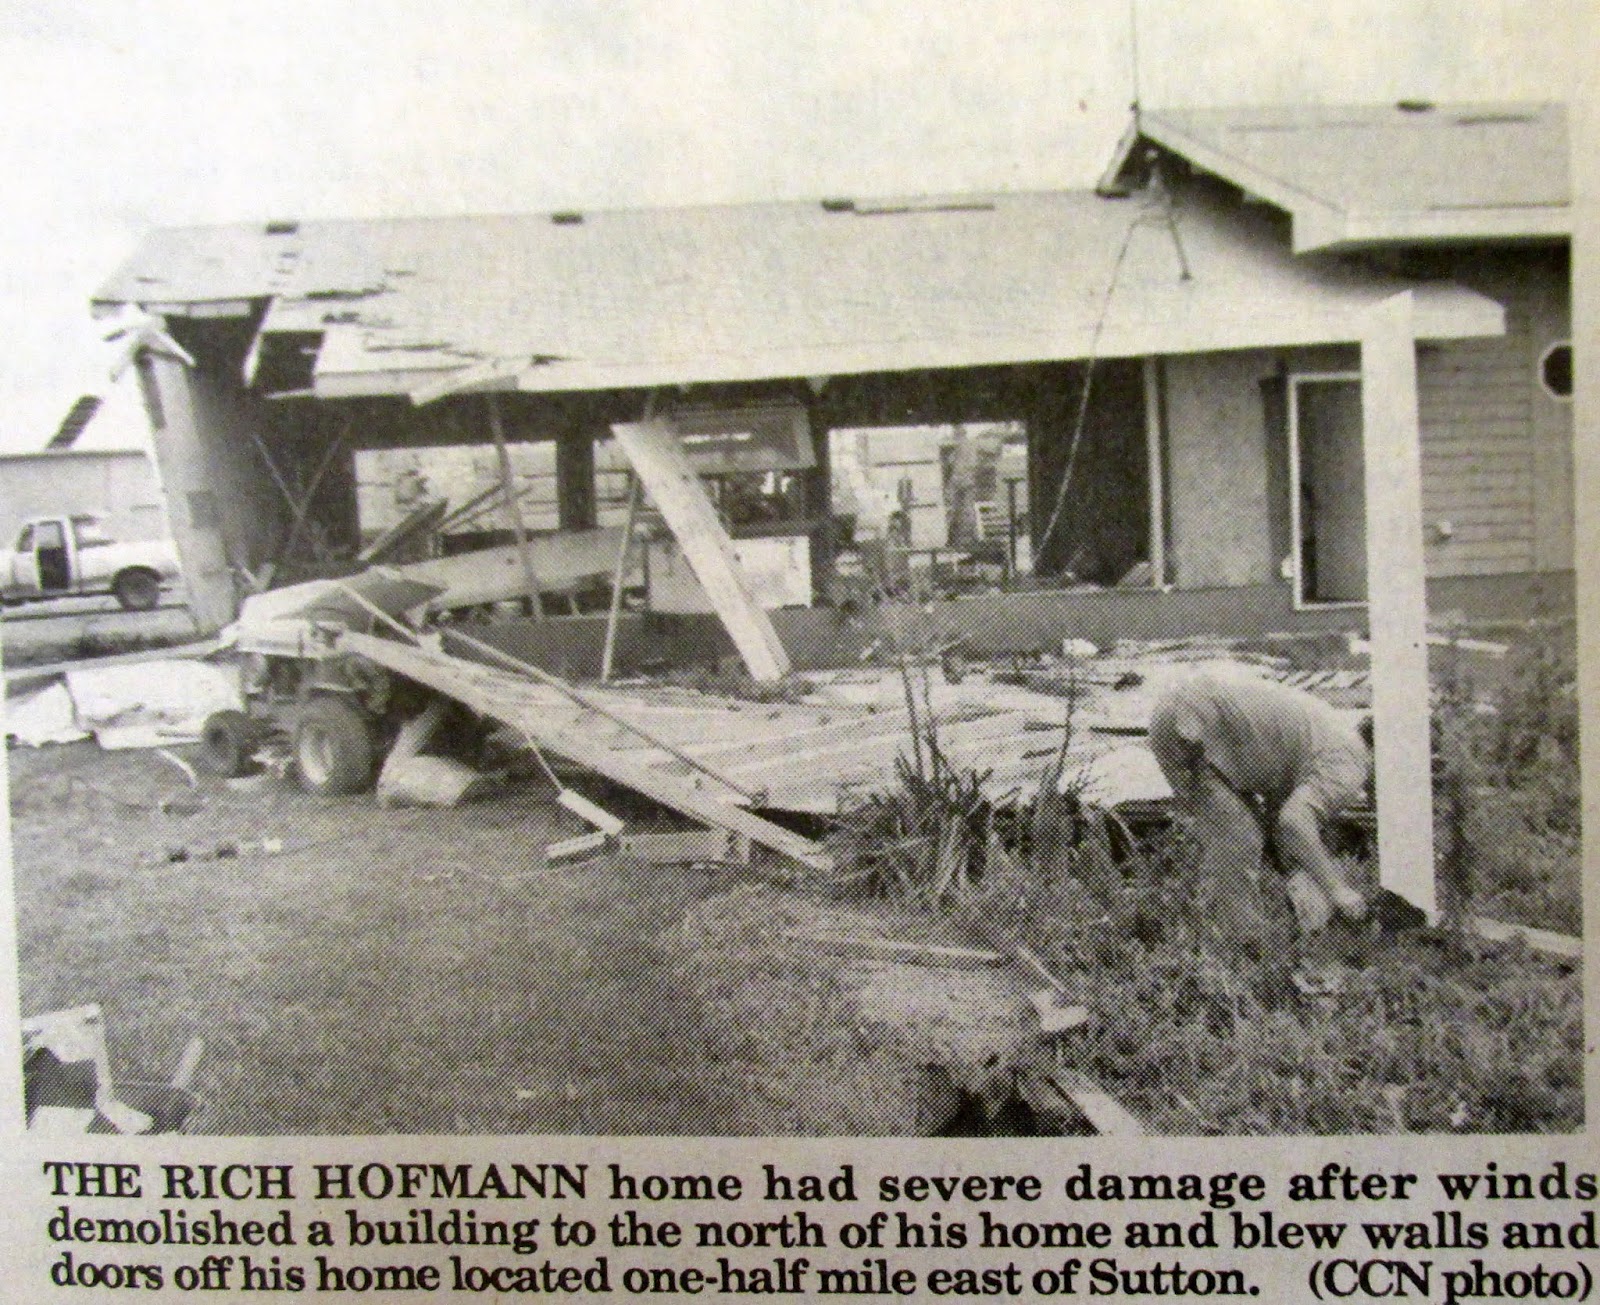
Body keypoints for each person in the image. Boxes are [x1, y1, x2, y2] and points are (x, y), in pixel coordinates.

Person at [1148, 666, 1370, 943]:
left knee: (1236, 836)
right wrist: (1338, 890)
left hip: (1182, 710)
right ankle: (1245, 952)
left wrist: (1297, 871)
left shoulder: (1331, 732)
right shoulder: (1352, 763)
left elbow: (1281, 825)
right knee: (1240, 838)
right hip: (1192, 721)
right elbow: (1294, 822)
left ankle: (1217, 930)